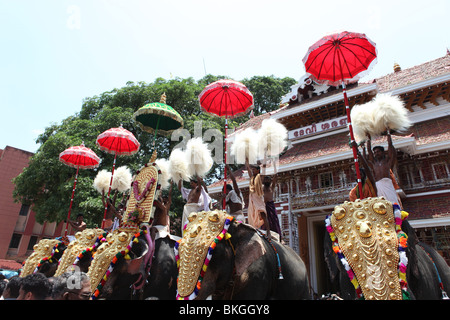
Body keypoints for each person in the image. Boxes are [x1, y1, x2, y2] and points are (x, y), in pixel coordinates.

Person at [365, 132, 402, 206]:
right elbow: (369, 150)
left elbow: (390, 146)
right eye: (375, 152)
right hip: (379, 185)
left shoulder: (387, 162)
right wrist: (368, 139)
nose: (376, 153)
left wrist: (388, 134)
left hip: (387, 183)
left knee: (393, 203)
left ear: (383, 152)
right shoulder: (374, 164)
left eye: (378, 151)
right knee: (382, 204)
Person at [245, 158, 270, 232]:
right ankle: (254, 230)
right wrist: (246, 159)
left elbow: (264, 168)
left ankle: (268, 231)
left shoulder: (260, 177)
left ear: (258, 170)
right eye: (252, 170)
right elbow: (248, 169)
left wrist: (265, 154)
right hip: (252, 197)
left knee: (262, 213)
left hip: (258, 197)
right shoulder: (252, 178)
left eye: (254, 170)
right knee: (252, 214)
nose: (252, 171)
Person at [262, 173, 282, 238]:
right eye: (265, 179)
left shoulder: (271, 187)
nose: (267, 181)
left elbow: (275, 179)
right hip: (264, 205)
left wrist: (275, 171)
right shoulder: (262, 188)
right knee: (265, 220)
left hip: (271, 205)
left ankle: (277, 233)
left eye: (268, 179)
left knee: (274, 220)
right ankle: (266, 232)